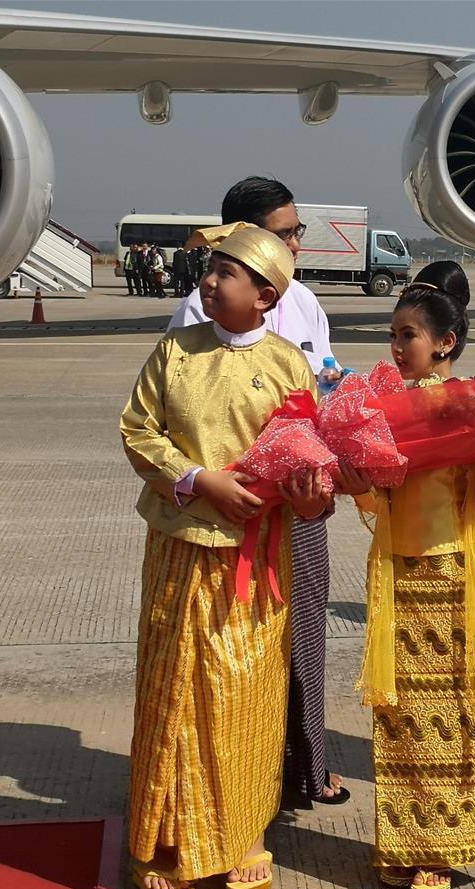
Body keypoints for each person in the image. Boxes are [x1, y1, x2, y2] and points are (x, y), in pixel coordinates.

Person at [121, 225, 331, 889]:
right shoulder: (174, 350)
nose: (209, 281)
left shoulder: (288, 365)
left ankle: (243, 830)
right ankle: (170, 835)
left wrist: (310, 494)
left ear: (265, 295)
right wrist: (197, 478)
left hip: (254, 558)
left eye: (226, 273)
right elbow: (137, 428)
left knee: (245, 692)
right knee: (174, 689)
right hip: (181, 548)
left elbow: (310, 456)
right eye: (210, 269)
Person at [335, 262, 475, 889]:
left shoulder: (473, 407)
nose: (396, 348)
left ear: (444, 343)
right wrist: (357, 472)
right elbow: (374, 504)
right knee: (401, 716)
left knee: (453, 715)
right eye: (392, 336)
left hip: (452, 574)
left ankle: (443, 850)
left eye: (407, 335)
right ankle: (405, 841)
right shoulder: (380, 407)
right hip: (397, 573)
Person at [168, 176, 347, 806]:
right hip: (231, 515)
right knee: (235, 650)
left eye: (296, 232)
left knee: (303, 633)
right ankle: (246, 773)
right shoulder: (199, 315)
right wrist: (213, 482)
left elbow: (322, 392)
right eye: (285, 232)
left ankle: (309, 763)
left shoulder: (305, 304)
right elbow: (185, 420)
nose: (296, 243)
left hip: (297, 506)